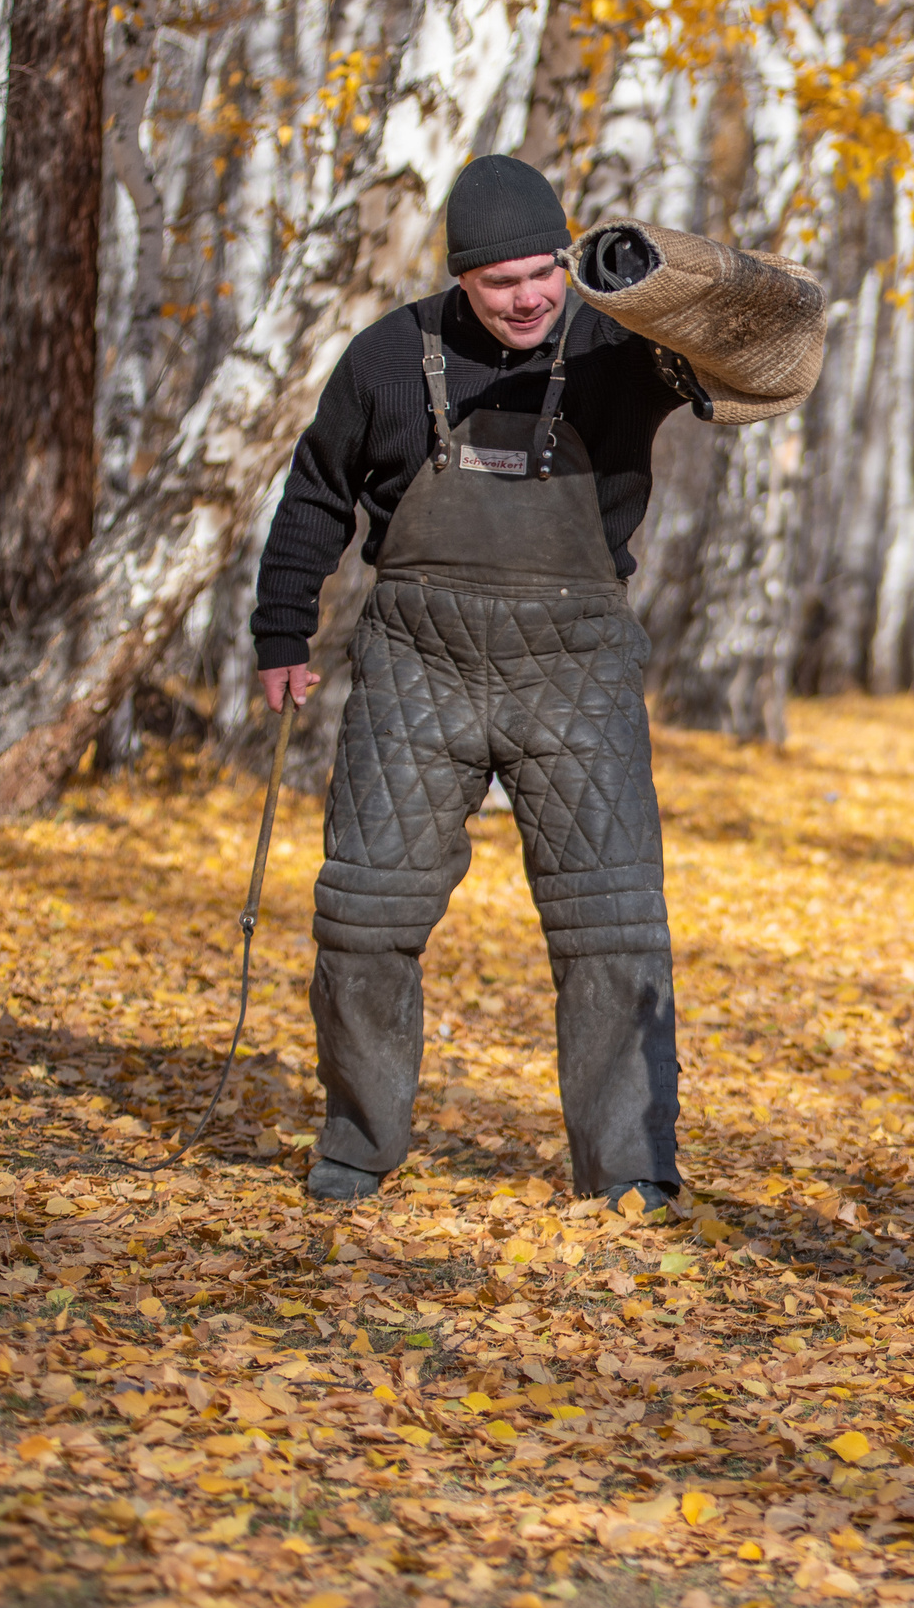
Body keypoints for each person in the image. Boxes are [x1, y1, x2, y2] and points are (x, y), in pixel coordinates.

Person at [249, 155, 826, 1208]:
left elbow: (771, 358)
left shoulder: (619, 343)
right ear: (460, 279)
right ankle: (356, 1141)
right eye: (498, 280)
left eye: (541, 274)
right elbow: (315, 494)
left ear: (564, 261)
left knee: (611, 924)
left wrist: (659, 280)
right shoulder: (389, 355)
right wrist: (281, 632)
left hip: (577, 668)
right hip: (416, 665)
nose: (525, 298)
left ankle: (629, 1171)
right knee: (365, 914)